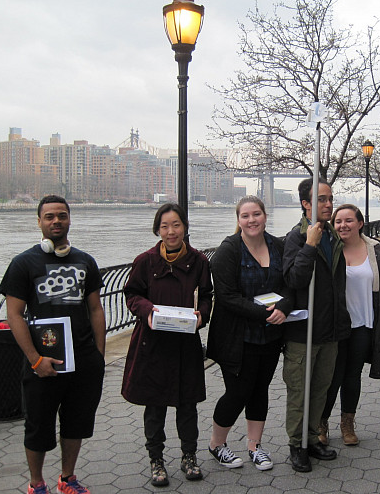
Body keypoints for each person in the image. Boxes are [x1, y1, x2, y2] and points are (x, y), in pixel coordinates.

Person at [0, 195, 106, 494]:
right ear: (39, 222)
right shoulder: (24, 263)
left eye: (61, 215)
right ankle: (37, 484)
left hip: (83, 362)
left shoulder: (85, 261)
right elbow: (14, 315)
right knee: (38, 427)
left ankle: (67, 478)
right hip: (43, 363)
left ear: (69, 219)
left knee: (76, 424)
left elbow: (96, 309)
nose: (56, 221)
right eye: (49, 216)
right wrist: (35, 359)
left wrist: (98, 355)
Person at [121, 203, 213, 486]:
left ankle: (189, 456)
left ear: (184, 227)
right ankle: (156, 460)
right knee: (155, 406)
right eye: (164, 226)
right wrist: (148, 310)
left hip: (185, 344)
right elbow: (132, 295)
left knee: (188, 406)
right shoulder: (145, 261)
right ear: (157, 230)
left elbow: (207, 296)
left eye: (176, 225)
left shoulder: (199, 262)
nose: (171, 231)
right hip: (153, 344)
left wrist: (202, 316)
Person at [206, 196, 294, 471]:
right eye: (245, 216)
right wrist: (268, 313)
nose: (252, 220)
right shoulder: (228, 251)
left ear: (265, 216)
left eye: (256, 214)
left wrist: (285, 307)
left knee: (260, 391)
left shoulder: (278, 246)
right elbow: (227, 297)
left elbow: (292, 284)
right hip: (237, 336)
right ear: (239, 220)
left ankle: (255, 446)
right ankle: (216, 444)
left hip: (269, 336)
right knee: (238, 392)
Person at [282, 177, 351, 472]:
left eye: (330, 198)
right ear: (306, 204)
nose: (328, 204)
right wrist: (309, 246)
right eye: (321, 199)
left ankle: (313, 438)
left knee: (320, 391)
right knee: (300, 392)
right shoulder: (296, 238)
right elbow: (294, 279)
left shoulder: (333, 236)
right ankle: (297, 445)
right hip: (303, 333)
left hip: (330, 330)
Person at [319, 204, 380, 446]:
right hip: (335, 325)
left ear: (360, 223)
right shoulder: (329, 249)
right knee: (331, 376)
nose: (343, 225)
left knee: (352, 376)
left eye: (349, 220)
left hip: (364, 323)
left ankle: (347, 423)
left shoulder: (375, 250)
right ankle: (321, 423)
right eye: (338, 221)